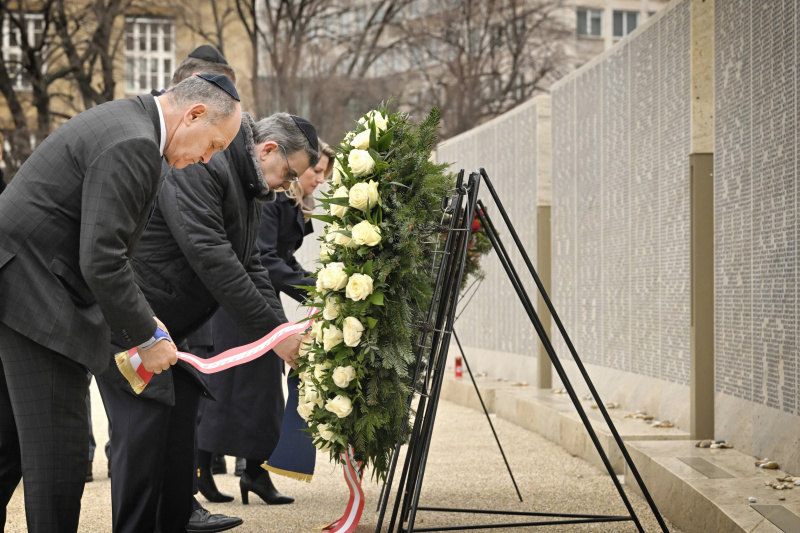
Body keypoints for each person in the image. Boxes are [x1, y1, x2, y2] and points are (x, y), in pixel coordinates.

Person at [0, 73, 241, 533]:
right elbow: (102, 258)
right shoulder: (135, 143)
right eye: (211, 145)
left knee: (7, 449)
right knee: (61, 457)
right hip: (34, 296)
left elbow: (100, 245)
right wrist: (146, 337)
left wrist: (145, 316)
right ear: (193, 115)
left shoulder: (127, 122)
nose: (205, 159)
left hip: (15, 282)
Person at [96, 111, 318, 533]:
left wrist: (283, 333)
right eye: (289, 173)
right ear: (268, 149)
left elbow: (251, 262)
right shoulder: (208, 164)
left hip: (170, 332)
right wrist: (274, 337)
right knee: (143, 443)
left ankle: (174, 521)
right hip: (134, 324)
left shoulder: (248, 182)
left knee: (179, 437)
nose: (288, 186)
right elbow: (211, 254)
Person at [196, 141, 334, 504]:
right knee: (228, 392)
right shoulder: (272, 201)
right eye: (315, 170)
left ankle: (253, 473)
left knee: (257, 396)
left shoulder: (291, 204)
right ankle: (204, 471)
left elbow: (280, 260)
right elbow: (266, 260)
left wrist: (321, 288)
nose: (320, 179)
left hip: (262, 301)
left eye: (324, 173)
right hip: (244, 306)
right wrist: (315, 291)